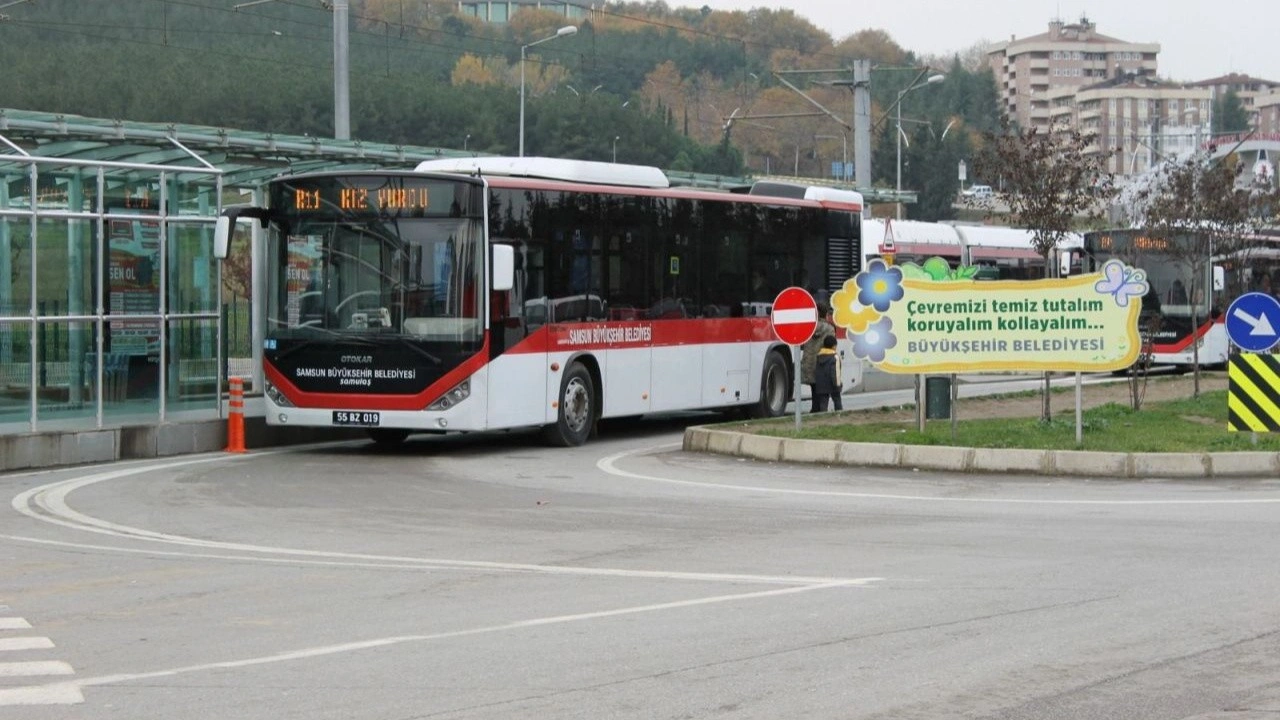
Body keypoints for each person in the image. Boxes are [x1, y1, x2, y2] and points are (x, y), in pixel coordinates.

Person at [800, 303, 836, 412]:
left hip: (809, 364)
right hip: (823, 364)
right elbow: (831, 346)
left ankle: (814, 409)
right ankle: (821, 411)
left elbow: (801, 345)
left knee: (814, 389)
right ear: (826, 314)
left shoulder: (808, 328)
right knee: (823, 390)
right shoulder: (830, 328)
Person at [813, 333, 843, 412]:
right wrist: (838, 385)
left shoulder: (819, 356)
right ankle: (839, 415)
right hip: (832, 384)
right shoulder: (835, 357)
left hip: (821, 384)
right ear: (834, 346)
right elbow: (835, 373)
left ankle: (823, 418)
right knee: (837, 400)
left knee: (823, 403)